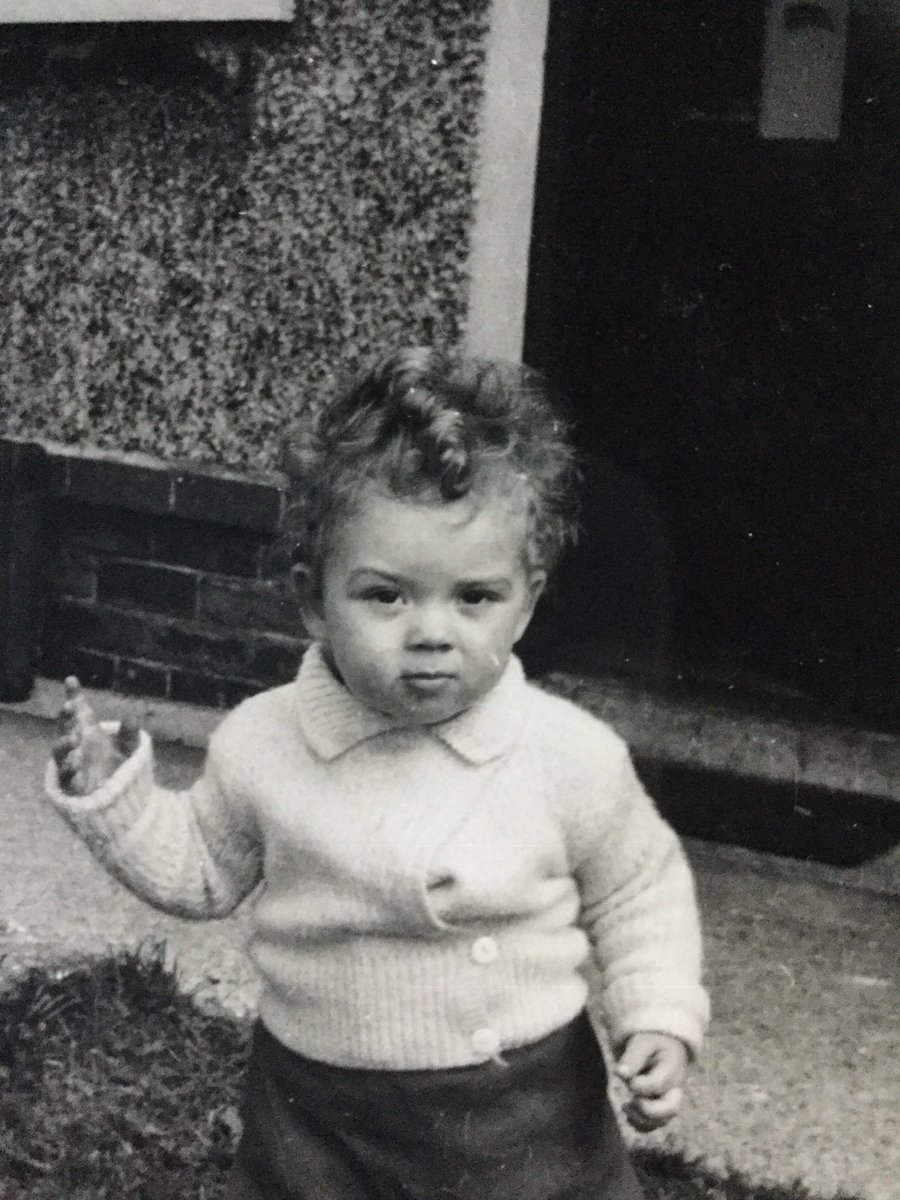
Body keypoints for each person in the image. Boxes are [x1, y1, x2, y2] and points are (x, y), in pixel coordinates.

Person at [47, 347, 709, 1200]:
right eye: (387, 596)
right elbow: (199, 873)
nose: (432, 633)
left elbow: (637, 888)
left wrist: (658, 1015)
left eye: (474, 598)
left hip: (525, 1109)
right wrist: (112, 792)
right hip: (321, 1116)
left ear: (529, 598)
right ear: (312, 598)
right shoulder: (264, 742)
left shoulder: (564, 754)